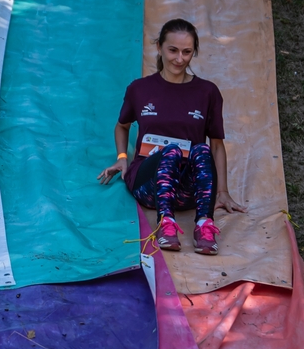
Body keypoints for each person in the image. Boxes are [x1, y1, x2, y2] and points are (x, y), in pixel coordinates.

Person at [98, 19, 246, 255]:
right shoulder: (139, 89)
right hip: (148, 184)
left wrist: (222, 192)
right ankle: (165, 224)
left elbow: (216, 145)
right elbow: (122, 126)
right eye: (173, 50)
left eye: (187, 52)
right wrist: (122, 157)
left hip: (187, 191)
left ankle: (204, 225)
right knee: (171, 151)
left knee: (202, 149)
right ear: (159, 47)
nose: (179, 59)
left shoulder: (207, 92)